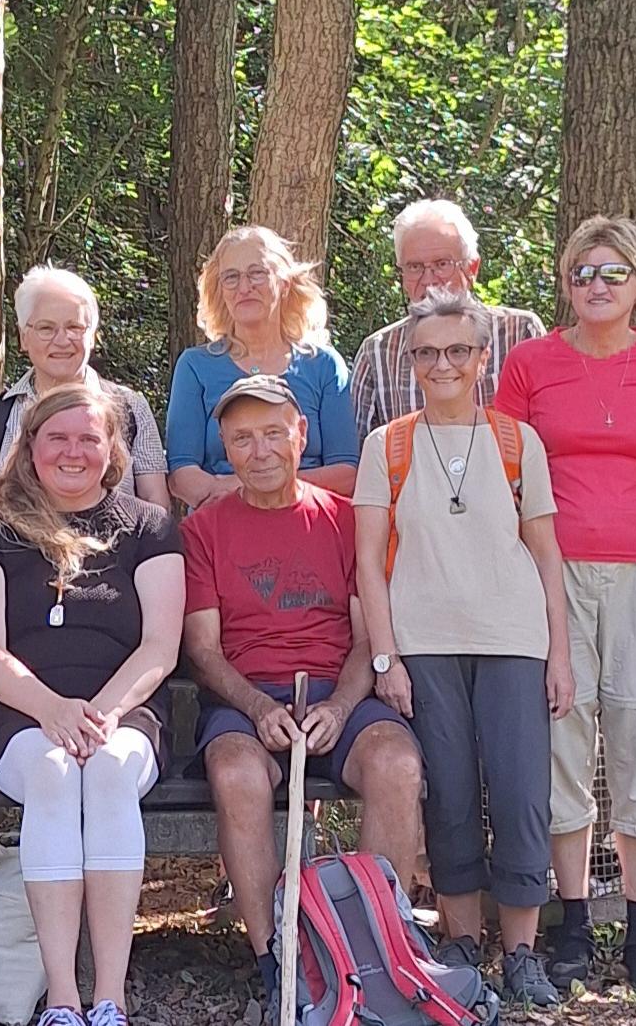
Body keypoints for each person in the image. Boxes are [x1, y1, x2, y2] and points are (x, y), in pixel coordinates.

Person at [491, 215, 636, 996]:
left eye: (613, 273)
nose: (596, 285)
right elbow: (503, 477)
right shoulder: (530, 363)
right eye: (583, 272)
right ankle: (574, 924)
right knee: (561, 737)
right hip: (550, 573)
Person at [351, 289, 571, 1008]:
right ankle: (460, 942)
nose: (441, 364)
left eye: (456, 351)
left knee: (518, 795)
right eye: (426, 353)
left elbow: (545, 556)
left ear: (483, 359)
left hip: (513, 641)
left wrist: (559, 655)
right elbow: (369, 561)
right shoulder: (389, 445)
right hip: (424, 646)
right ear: (410, 362)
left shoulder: (517, 441)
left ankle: (524, 952)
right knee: (446, 793)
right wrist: (385, 658)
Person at [179, 375, 425, 1012]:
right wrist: (259, 709)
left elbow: (366, 635)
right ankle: (274, 957)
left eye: (272, 434)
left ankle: (375, 950)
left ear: (302, 435)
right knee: (236, 774)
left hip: (338, 692)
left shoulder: (344, 520)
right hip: (246, 697)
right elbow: (204, 651)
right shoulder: (204, 529)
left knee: (398, 763)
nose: (259, 451)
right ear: (225, 449)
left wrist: (340, 707)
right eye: (241, 439)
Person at [0, 384, 184, 1026]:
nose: (73, 451)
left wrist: (102, 713)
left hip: (126, 707)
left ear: (113, 449)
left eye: (90, 438)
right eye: (57, 437)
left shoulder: (149, 526)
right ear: (30, 448)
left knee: (107, 769)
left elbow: (160, 647)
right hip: (20, 711)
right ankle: (61, 998)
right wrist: (52, 710)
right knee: (53, 775)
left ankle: (109, 996)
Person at [168, 225, 356, 507]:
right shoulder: (195, 367)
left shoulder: (324, 365)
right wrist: (250, 493)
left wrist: (266, 488)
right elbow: (182, 474)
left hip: (309, 521)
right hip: (222, 523)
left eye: (257, 273)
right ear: (219, 290)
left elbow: (346, 472)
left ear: (284, 283)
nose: (244, 287)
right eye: (231, 277)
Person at [347, 199, 546, 435]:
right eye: (414, 267)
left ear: (472, 269)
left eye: (442, 264)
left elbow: (549, 436)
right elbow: (357, 459)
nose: (429, 280)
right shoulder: (378, 353)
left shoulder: (520, 333)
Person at [0, 266, 167, 504]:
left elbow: (155, 504)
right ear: (23, 337)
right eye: (46, 328)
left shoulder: (130, 408)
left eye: (74, 327)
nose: (62, 340)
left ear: (93, 336)